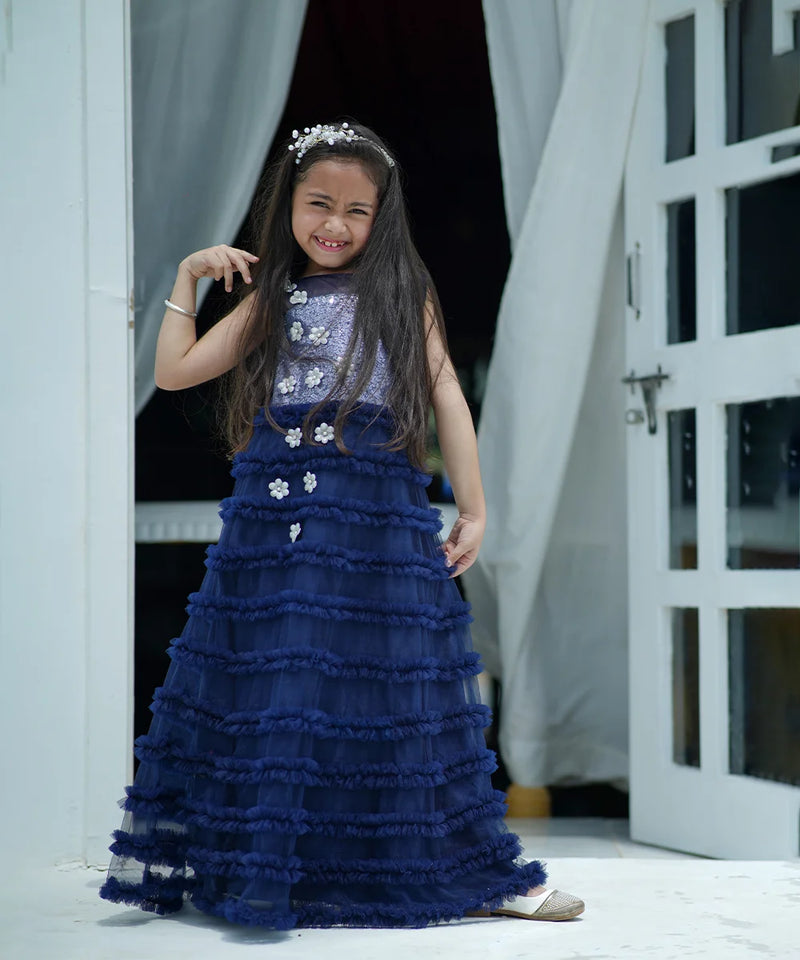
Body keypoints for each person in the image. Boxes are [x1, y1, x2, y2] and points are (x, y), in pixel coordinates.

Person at [99, 121, 584, 928]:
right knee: (284, 682)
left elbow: (446, 398)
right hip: (280, 515)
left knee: (401, 683)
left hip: (376, 510)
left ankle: (478, 870)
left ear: (381, 217)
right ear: (287, 204)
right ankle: (271, 867)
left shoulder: (402, 293)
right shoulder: (274, 300)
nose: (335, 224)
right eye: (318, 204)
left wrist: (474, 505)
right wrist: (186, 275)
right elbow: (174, 370)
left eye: (357, 211)